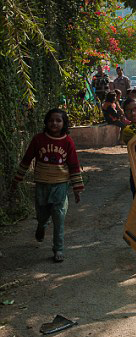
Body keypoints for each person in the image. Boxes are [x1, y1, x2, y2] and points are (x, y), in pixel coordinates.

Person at [10, 109, 84, 263]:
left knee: (59, 216)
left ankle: (58, 249)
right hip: (42, 185)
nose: (54, 123)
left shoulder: (68, 142)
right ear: (46, 122)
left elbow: (74, 165)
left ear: (64, 123)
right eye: (51, 120)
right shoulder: (38, 139)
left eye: (58, 120)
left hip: (60, 185)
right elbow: (26, 159)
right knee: (42, 214)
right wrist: (17, 179)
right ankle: (41, 225)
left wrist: (77, 189)